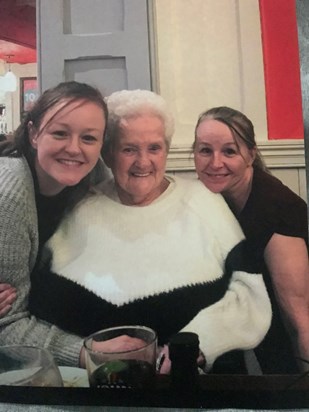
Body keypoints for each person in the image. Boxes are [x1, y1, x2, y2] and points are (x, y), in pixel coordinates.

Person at [28, 89, 272, 373]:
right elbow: (36, 299)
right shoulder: (78, 205)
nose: (143, 162)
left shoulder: (204, 202)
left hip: (188, 385)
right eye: (128, 149)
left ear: (166, 150)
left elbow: (248, 292)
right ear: (107, 153)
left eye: (154, 148)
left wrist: (199, 343)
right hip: (87, 385)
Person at [193, 106, 309, 374]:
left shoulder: (277, 208)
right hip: (252, 339)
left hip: (288, 351)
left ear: (250, 155)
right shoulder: (212, 197)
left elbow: (299, 320)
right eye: (205, 150)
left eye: (229, 151)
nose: (215, 163)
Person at [0, 80, 108, 367]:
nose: (74, 149)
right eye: (60, 133)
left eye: (89, 138)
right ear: (34, 134)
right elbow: (6, 327)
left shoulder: (94, 174)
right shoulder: (9, 196)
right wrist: (90, 353)